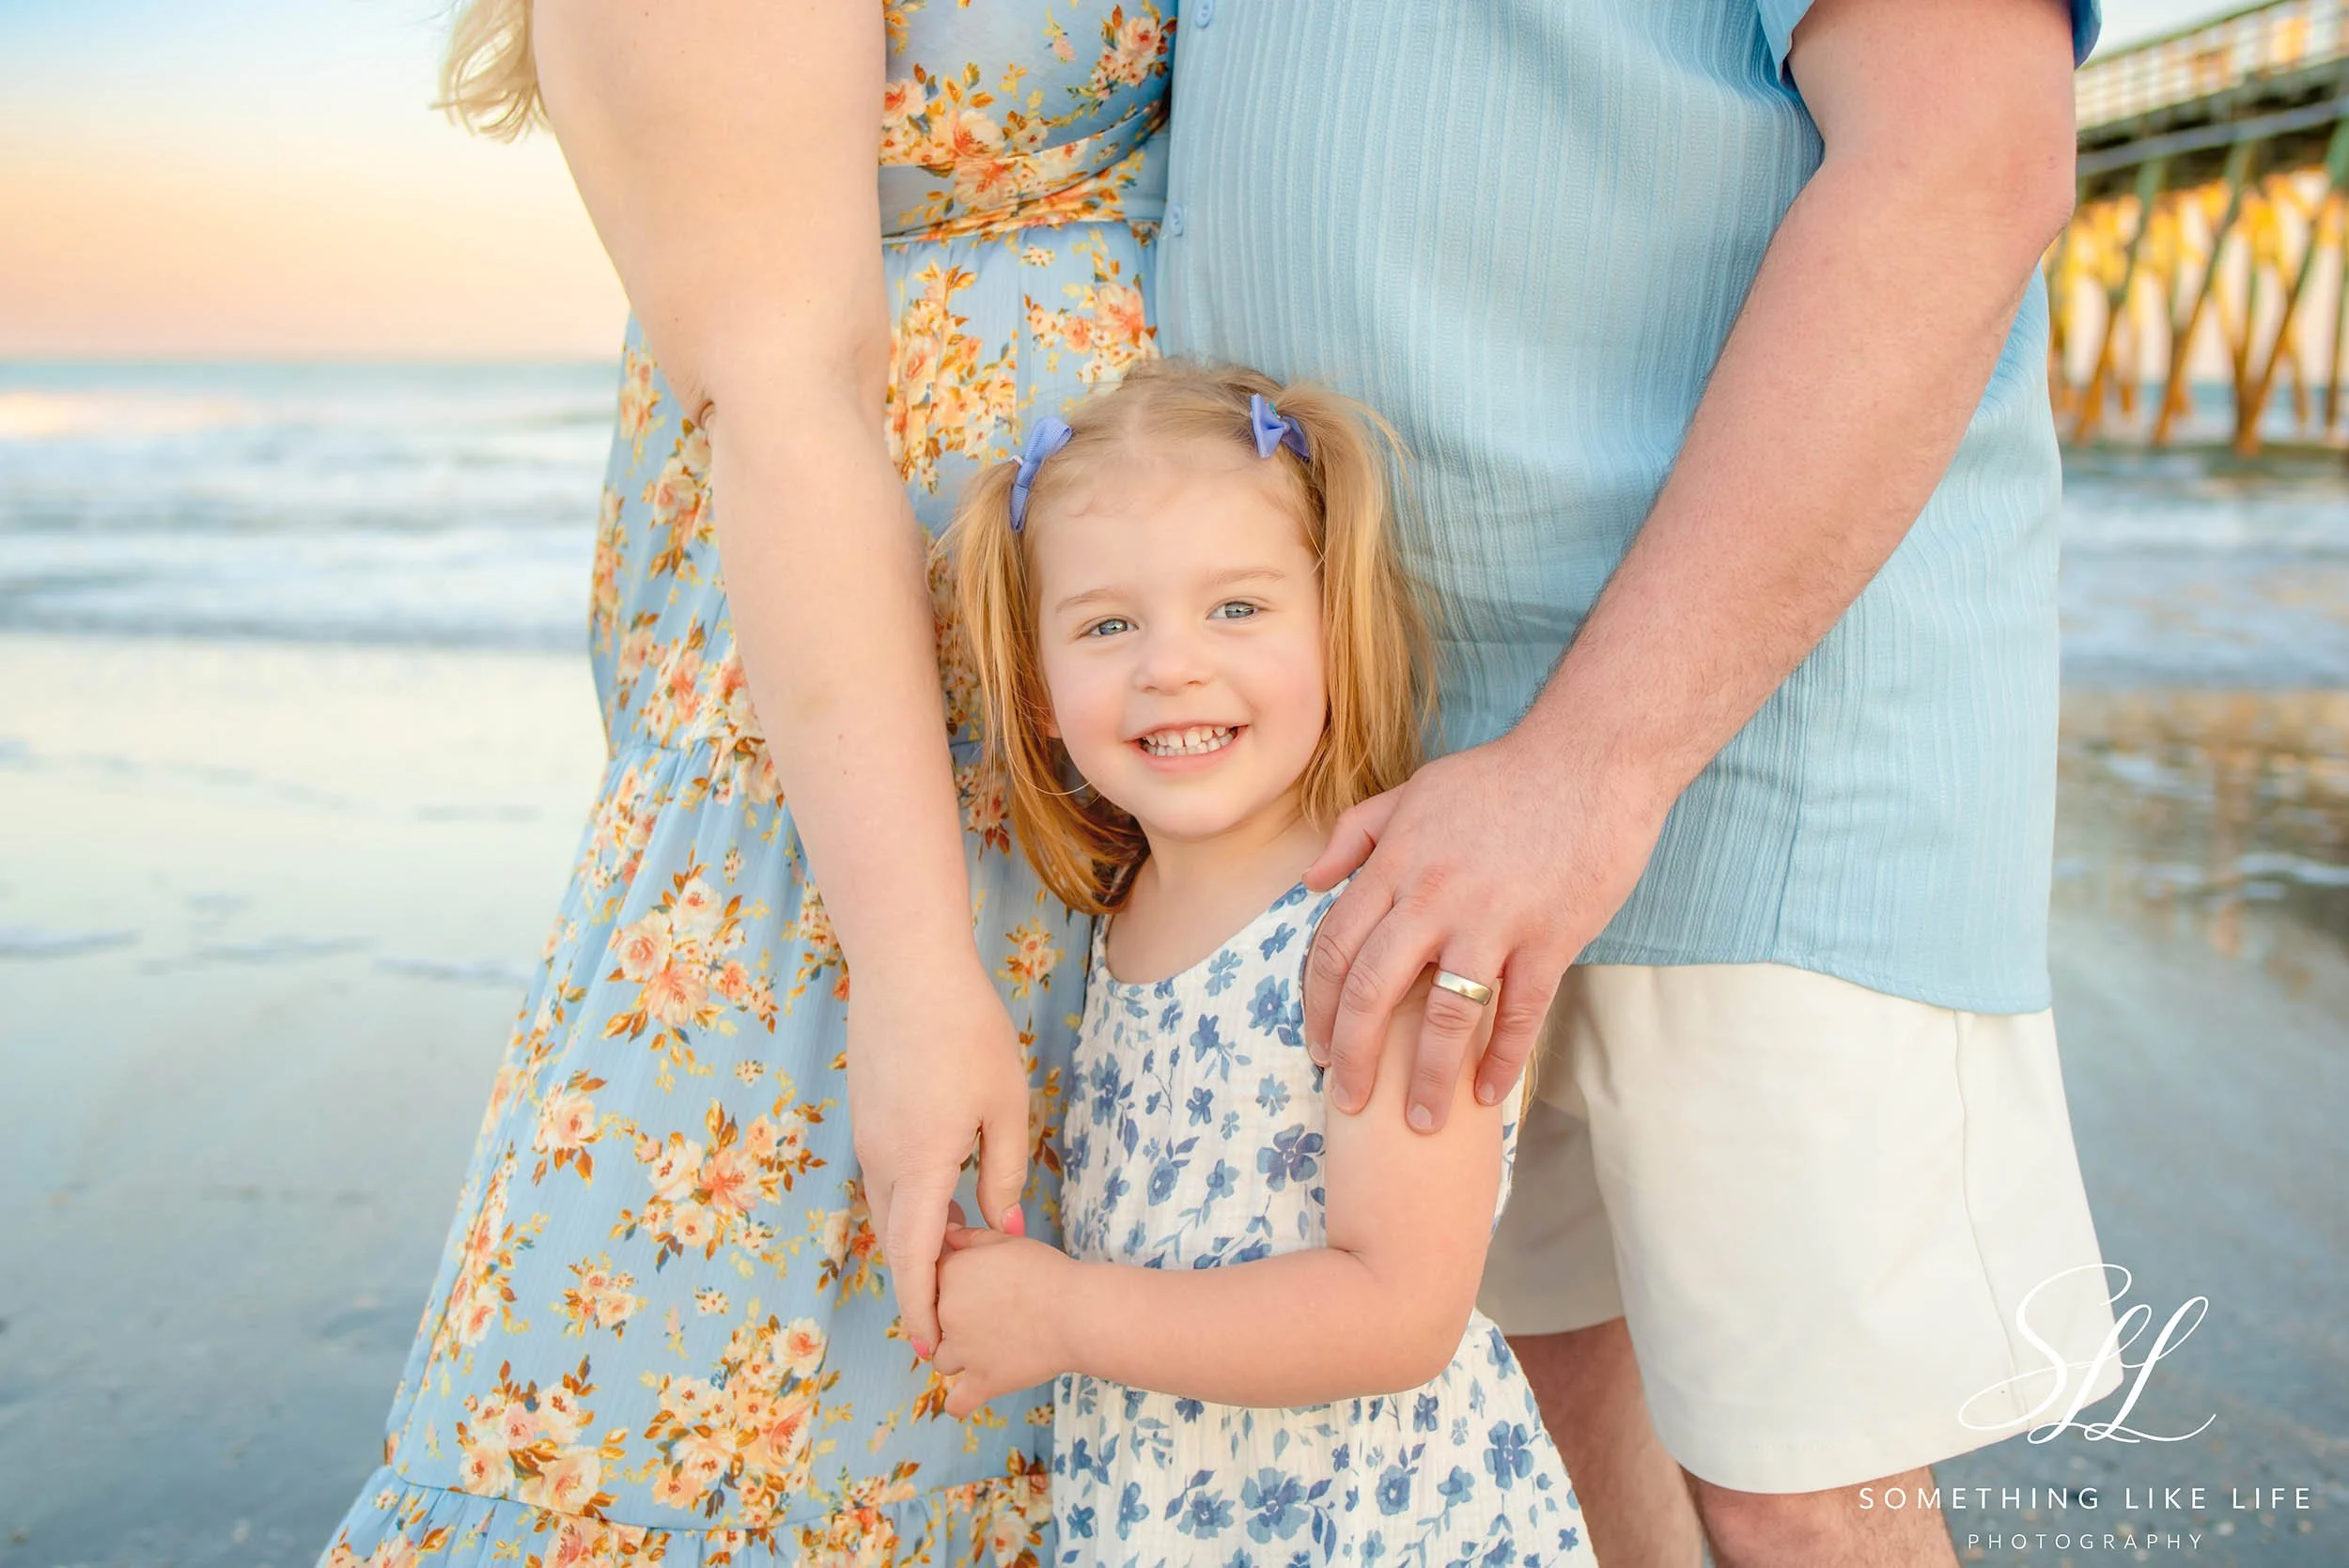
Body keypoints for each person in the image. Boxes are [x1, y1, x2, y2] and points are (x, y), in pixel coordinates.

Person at [1158, 2, 2123, 1565]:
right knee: (1554, 1431)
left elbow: (1969, 158)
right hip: (1405, 759)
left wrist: (1589, 768)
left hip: (1755, 737)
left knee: (1799, 1494)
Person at [319, 3, 1169, 1562]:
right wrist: (912, 970)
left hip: (1115, 700)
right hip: (887, 719)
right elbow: (789, 387)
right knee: (777, 1368)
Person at [928, 359, 1597, 1565]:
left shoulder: (1378, 928)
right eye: (1107, 623)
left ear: (1335, 627)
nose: (1171, 664)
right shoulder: (1108, 917)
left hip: (1376, 1527)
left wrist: (1064, 1313)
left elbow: (1399, 1312)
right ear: (1034, 687)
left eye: (1235, 608)